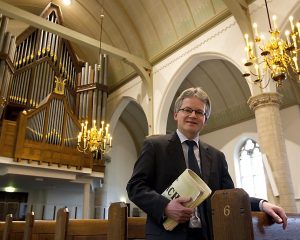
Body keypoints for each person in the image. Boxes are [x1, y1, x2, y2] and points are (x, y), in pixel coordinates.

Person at [126, 87, 288, 240]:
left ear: (205, 119)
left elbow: (228, 195)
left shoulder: (217, 156)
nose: (193, 115)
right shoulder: (154, 145)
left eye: (199, 112)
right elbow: (135, 187)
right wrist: (165, 207)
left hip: (207, 235)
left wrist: (261, 204)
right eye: (187, 110)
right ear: (176, 114)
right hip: (166, 235)